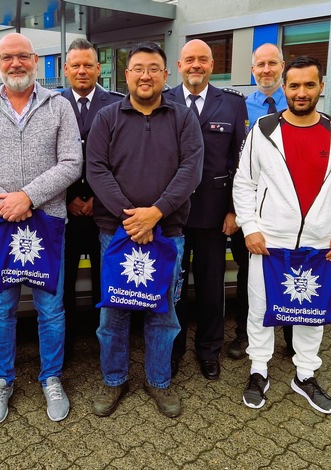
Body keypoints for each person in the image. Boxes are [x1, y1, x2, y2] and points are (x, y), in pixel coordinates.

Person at [0, 32, 82, 425]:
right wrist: (3, 201)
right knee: (1, 308)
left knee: (50, 307)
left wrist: (26, 196)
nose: (15, 64)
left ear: (37, 61)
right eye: (7, 58)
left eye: (22, 57)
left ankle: (51, 377)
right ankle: (2, 379)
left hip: (47, 225)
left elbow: (71, 162)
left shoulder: (59, 106)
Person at [233, 56, 331, 414]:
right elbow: (244, 183)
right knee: (259, 310)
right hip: (270, 242)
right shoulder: (263, 129)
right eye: (294, 85)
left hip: (320, 243)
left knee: (310, 312)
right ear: (284, 88)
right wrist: (251, 228)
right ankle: (259, 369)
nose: (301, 92)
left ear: (321, 87)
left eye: (309, 85)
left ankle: (305, 374)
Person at [86, 41, 203, 418]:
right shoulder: (107, 117)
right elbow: (97, 170)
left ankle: (159, 381)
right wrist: (132, 218)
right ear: (127, 74)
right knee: (113, 315)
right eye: (138, 68)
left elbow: (191, 170)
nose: (146, 75)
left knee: (163, 312)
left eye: (153, 68)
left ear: (166, 75)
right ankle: (114, 379)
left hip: (167, 233)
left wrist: (155, 213)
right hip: (116, 234)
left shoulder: (184, 118)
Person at [164, 39, 248, 379]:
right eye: (189, 60)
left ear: (212, 65)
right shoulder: (163, 99)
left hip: (215, 215)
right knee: (174, 288)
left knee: (212, 288)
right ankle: (173, 348)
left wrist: (234, 210)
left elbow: (240, 162)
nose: (195, 65)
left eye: (202, 60)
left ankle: (209, 350)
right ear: (179, 66)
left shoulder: (231, 104)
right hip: (172, 213)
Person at [61, 38, 124, 362]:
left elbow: (122, 161)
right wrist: (70, 198)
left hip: (104, 212)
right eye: (76, 65)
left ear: (99, 68)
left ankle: (107, 349)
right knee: (62, 284)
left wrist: (97, 201)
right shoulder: (52, 105)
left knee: (106, 283)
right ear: (65, 69)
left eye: (88, 65)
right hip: (64, 213)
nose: (82, 70)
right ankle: (67, 346)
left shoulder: (116, 104)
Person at [243, 42, 294, 357]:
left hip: (290, 208)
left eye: (271, 64)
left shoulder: (300, 102)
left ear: (282, 66)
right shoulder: (240, 108)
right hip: (253, 207)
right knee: (252, 276)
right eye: (260, 65)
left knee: (290, 269)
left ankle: (292, 336)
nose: (265, 70)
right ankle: (246, 336)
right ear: (252, 70)